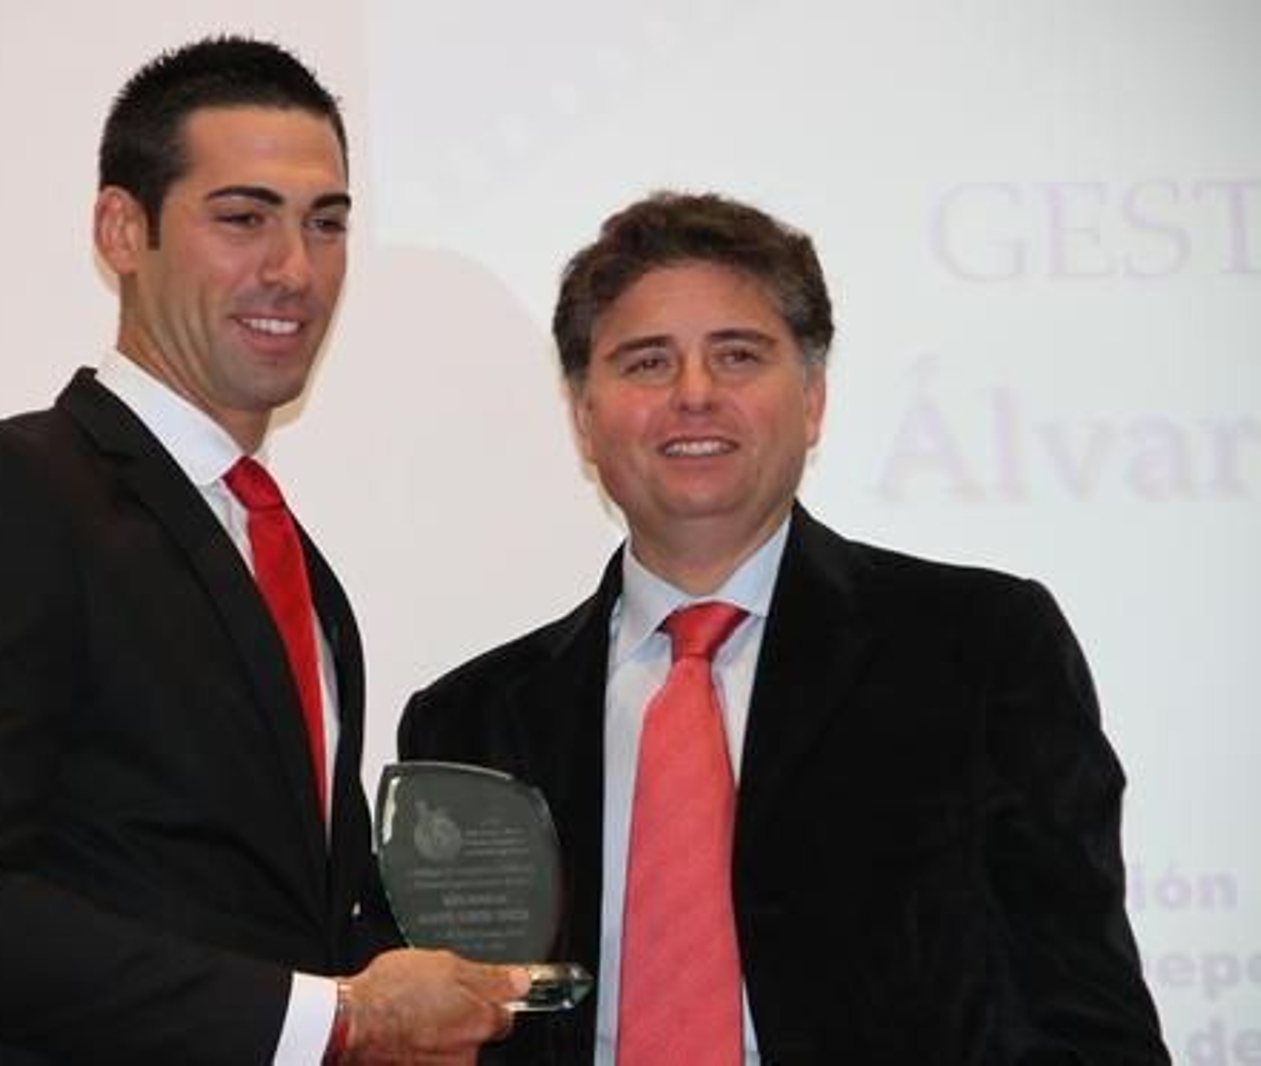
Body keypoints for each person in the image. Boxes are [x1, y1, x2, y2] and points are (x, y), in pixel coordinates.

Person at [0, 36, 524, 1064]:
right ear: (123, 228)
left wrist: (432, 982)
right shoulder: (0, 489)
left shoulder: (293, 560)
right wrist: (338, 1018)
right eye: (243, 218)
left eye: (325, 223)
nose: (294, 269)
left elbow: (274, 910)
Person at [398, 192, 1169, 1064]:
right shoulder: (470, 723)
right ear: (584, 417)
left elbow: (1084, 1015)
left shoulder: (980, 649)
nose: (694, 395)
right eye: (647, 363)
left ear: (811, 400)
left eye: (737, 356)